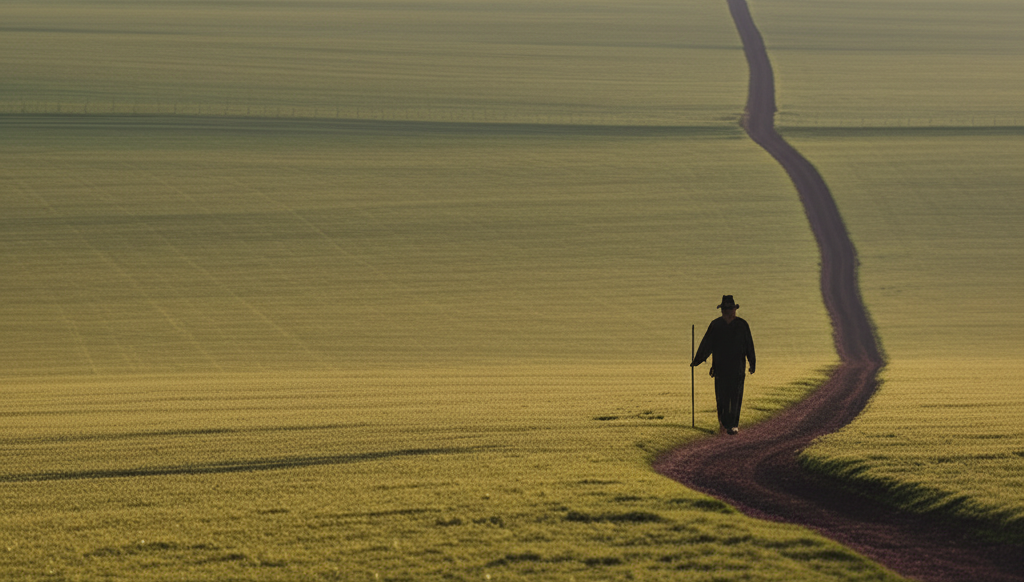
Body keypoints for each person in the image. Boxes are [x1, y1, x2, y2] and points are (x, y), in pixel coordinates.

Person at [691, 295, 756, 435]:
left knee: (736, 396)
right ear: (722, 311)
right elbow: (706, 344)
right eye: (725, 309)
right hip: (720, 368)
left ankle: (733, 425)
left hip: (738, 368)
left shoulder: (742, 325)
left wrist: (752, 363)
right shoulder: (716, 325)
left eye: (730, 309)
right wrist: (697, 360)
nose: (728, 312)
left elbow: (749, 345)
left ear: (734, 310)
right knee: (722, 397)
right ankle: (723, 423)